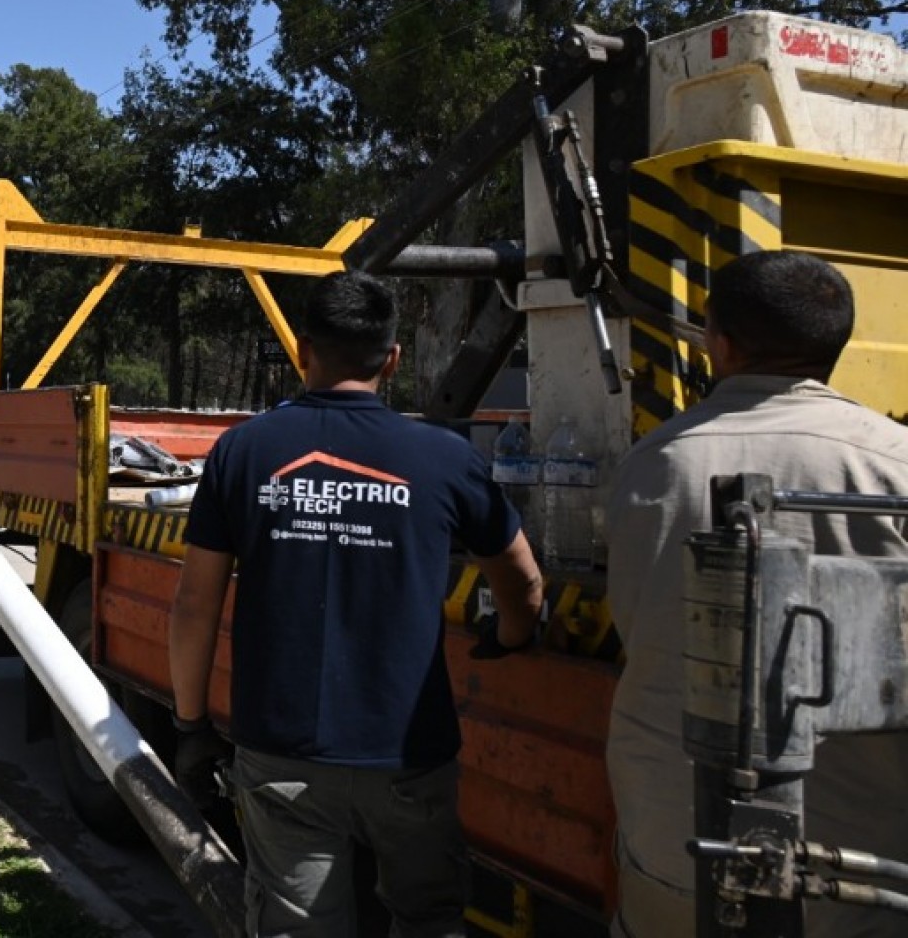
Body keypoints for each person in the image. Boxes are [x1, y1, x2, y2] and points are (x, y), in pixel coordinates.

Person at [170, 270, 543, 937]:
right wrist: (512, 633)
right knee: (427, 920)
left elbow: (195, 606)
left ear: (302, 349)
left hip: (282, 749)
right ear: (393, 358)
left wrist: (192, 725)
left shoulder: (242, 451)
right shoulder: (443, 456)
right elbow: (523, 578)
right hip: (409, 750)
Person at [605, 250, 908, 938]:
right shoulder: (895, 461)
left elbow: (637, 624)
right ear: (837, 343)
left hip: (677, 839)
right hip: (860, 858)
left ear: (720, 342)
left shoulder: (655, 463)